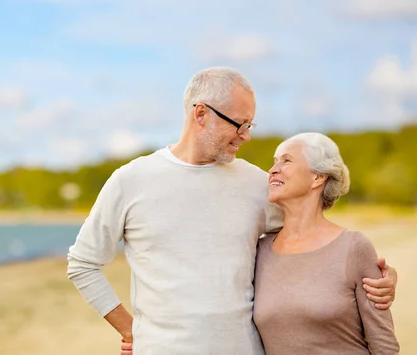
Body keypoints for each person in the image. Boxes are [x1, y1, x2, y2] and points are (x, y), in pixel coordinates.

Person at [67, 67, 397, 355]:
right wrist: (131, 330)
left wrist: (375, 279)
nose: (248, 136)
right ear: (201, 115)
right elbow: (83, 264)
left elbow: (313, 239)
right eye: (240, 124)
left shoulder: (257, 184)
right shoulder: (131, 180)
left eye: (251, 124)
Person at [253, 133, 399, 354]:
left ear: (317, 178)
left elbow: (384, 344)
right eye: (274, 161)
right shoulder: (259, 252)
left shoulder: (354, 247)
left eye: (286, 160)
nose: (273, 169)